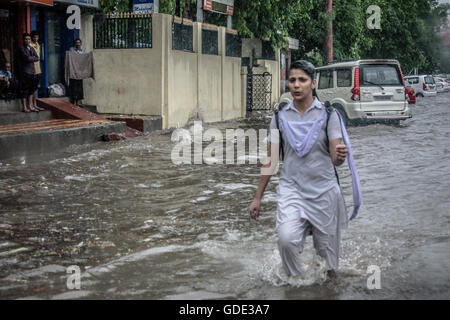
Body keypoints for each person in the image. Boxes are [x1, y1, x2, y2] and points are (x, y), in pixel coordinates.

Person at [248, 60, 362, 278]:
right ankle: (296, 286)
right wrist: (257, 197)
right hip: (292, 191)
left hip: (324, 192)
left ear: (313, 83)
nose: (296, 85)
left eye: (302, 80)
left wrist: (339, 157)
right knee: (286, 240)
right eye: (292, 80)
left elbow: (335, 158)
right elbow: (271, 160)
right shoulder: (279, 116)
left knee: (328, 265)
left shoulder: (329, 115)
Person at [18, 33, 40, 112]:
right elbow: (26, 58)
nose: (27, 40)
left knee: (31, 89)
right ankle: (24, 107)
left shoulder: (31, 48)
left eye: (29, 39)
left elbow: (37, 57)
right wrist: (31, 58)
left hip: (32, 72)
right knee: (25, 89)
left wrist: (31, 58)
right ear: (23, 40)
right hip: (25, 72)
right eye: (26, 39)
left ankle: (30, 105)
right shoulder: (21, 48)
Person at [30, 30, 44, 111]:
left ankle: (35, 104)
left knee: (35, 87)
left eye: (37, 37)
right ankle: (31, 104)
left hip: (38, 69)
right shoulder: (30, 45)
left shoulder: (38, 45)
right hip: (31, 69)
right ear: (31, 37)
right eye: (34, 37)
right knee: (31, 88)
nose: (36, 38)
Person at [69, 38, 85, 106]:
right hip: (73, 71)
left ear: (81, 44)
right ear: (75, 44)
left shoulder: (83, 51)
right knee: (74, 86)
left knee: (80, 86)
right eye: (76, 43)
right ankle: (74, 101)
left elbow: (84, 60)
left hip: (80, 71)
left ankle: (78, 101)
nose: (78, 44)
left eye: (79, 43)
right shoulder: (72, 50)